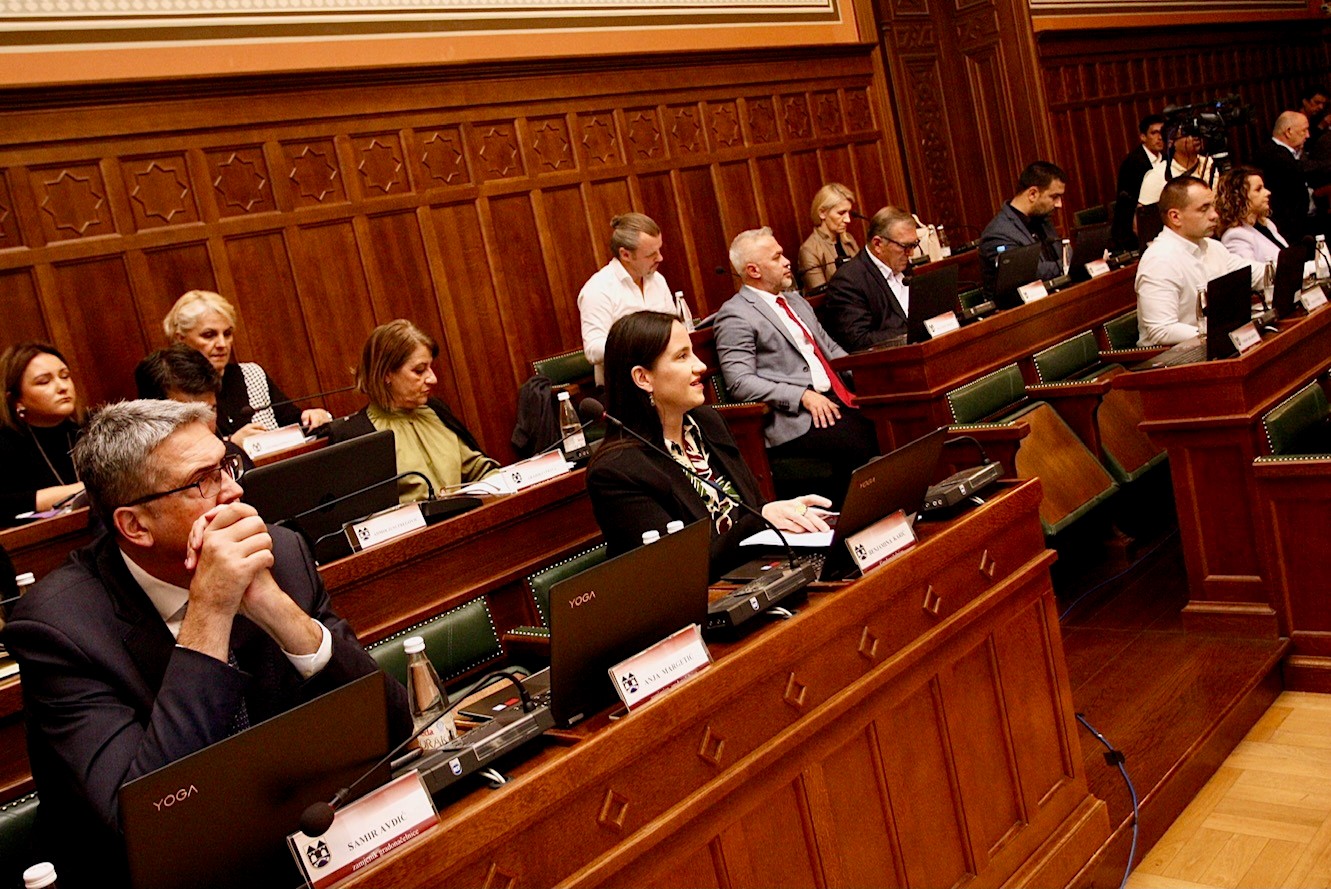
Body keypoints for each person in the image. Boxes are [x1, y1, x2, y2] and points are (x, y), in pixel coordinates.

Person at [1, 399, 410, 887]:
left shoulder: (278, 552)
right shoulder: (60, 628)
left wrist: (275, 607)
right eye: (203, 481)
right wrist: (210, 609)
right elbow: (145, 821)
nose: (234, 490)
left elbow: (392, 725)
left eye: (226, 465)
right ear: (135, 525)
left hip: (299, 847)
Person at [587, 311, 831, 577]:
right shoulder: (616, 471)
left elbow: (755, 506)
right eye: (682, 357)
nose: (701, 366)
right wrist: (762, 521)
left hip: (760, 571)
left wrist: (787, 517)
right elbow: (682, 569)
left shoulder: (707, 422)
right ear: (643, 378)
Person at [714, 228, 879, 502]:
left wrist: (869, 374)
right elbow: (740, 382)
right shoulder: (736, 315)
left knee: (889, 419)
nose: (787, 261)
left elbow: (830, 349)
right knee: (863, 439)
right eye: (776, 257)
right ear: (753, 270)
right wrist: (801, 396)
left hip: (837, 397)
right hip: (796, 416)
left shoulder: (795, 301)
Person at [328, 319, 499, 500]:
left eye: (430, 368)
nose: (432, 379)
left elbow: (478, 469)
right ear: (386, 374)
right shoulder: (357, 435)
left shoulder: (435, 411)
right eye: (419, 371)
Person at [163, 290, 333, 446]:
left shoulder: (251, 374)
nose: (222, 344)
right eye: (209, 335)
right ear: (181, 339)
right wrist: (232, 445)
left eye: (227, 334)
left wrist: (312, 417)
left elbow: (293, 422)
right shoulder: (174, 391)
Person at [1135, 176, 1265, 346]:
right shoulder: (1159, 260)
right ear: (1175, 217)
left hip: (1215, 344)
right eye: (1204, 209)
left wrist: (1299, 268)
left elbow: (1256, 275)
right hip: (1173, 356)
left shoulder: (1213, 247)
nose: (1214, 215)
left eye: (1213, 206)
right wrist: (1221, 333)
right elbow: (1161, 331)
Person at [578, 213, 692, 388]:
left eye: (659, 250)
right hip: (624, 389)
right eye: (651, 254)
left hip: (668, 382)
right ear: (625, 254)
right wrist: (638, 343)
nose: (660, 258)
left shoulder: (657, 280)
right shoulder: (598, 289)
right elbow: (593, 350)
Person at [0, 342, 85, 525]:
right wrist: (80, 490)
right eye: (44, 381)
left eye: (65, 376)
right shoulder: (6, 444)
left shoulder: (93, 429)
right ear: (16, 400)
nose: (62, 387)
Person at [135, 344, 255, 469]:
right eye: (191, 416)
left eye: (211, 410)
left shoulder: (232, 456)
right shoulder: (139, 473)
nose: (204, 427)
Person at [822, 206, 919, 351]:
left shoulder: (902, 265)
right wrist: (913, 331)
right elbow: (858, 341)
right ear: (878, 244)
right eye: (905, 246)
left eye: (914, 245)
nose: (911, 254)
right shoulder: (848, 282)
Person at [978, 161, 1067, 295]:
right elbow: (1025, 274)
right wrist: (1068, 264)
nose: (1059, 204)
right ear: (1032, 194)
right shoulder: (998, 234)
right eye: (1054, 197)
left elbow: (1060, 257)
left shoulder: (1043, 220)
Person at [1253, 111, 1316, 243]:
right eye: (1304, 130)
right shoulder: (1272, 154)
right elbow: (1299, 170)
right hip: (1288, 228)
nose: (1308, 135)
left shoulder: (1290, 153)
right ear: (1288, 131)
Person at [1113, 114, 1166, 249]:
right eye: (1154, 133)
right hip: (1136, 225)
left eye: (1162, 133)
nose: (1160, 137)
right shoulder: (1132, 163)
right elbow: (1128, 202)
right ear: (1143, 137)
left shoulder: (1167, 159)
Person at [1215, 166, 1289, 263]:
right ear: (1239, 197)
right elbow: (1251, 271)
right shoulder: (1235, 236)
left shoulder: (1266, 224)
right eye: (1258, 189)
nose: (1268, 192)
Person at [797, 183, 860, 290]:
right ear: (822, 213)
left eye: (849, 213)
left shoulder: (848, 239)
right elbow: (820, 294)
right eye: (841, 213)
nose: (848, 220)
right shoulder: (809, 250)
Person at [1138, 123, 1218, 206]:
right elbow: (1145, 213)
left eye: (1196, 133)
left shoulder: (1212, 163)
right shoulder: (1157, 176)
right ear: (1171, 142)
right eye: (1187, 134)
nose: (1196, 138)